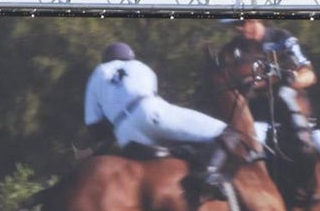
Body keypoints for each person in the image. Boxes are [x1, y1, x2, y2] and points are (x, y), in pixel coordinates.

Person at [83, 41, 231, 196]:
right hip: (150, 111)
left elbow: (94, 127)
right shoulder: (140, 66)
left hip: (125, 135)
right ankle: (208, 175)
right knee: (225, 131)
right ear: (130, 57)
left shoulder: (97, 74)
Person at [220, 19, 320, 186]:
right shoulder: (232, 49)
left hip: (294, 119)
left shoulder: (282, 38)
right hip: (256, 121)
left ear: (255, 19)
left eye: (242, 23)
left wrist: (288, 79)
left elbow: (309, 76)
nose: (238, 29)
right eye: (234, 26)